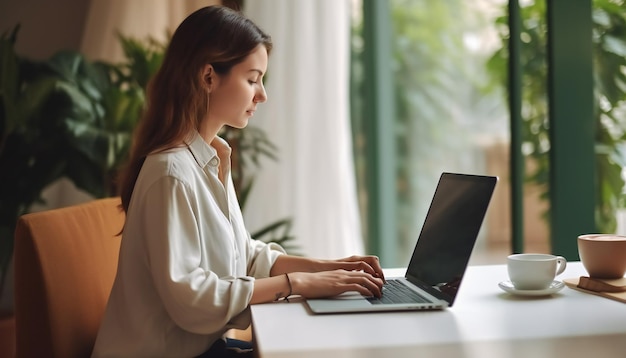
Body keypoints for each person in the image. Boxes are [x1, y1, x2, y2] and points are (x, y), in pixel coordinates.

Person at [92, 5, 384, 358]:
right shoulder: (170, 173)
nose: (262, 94)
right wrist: (298, 284)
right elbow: (192, 299)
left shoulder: (213, 157)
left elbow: (243, 257)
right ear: (209, 77)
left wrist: (332, 268)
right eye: (252, 78)